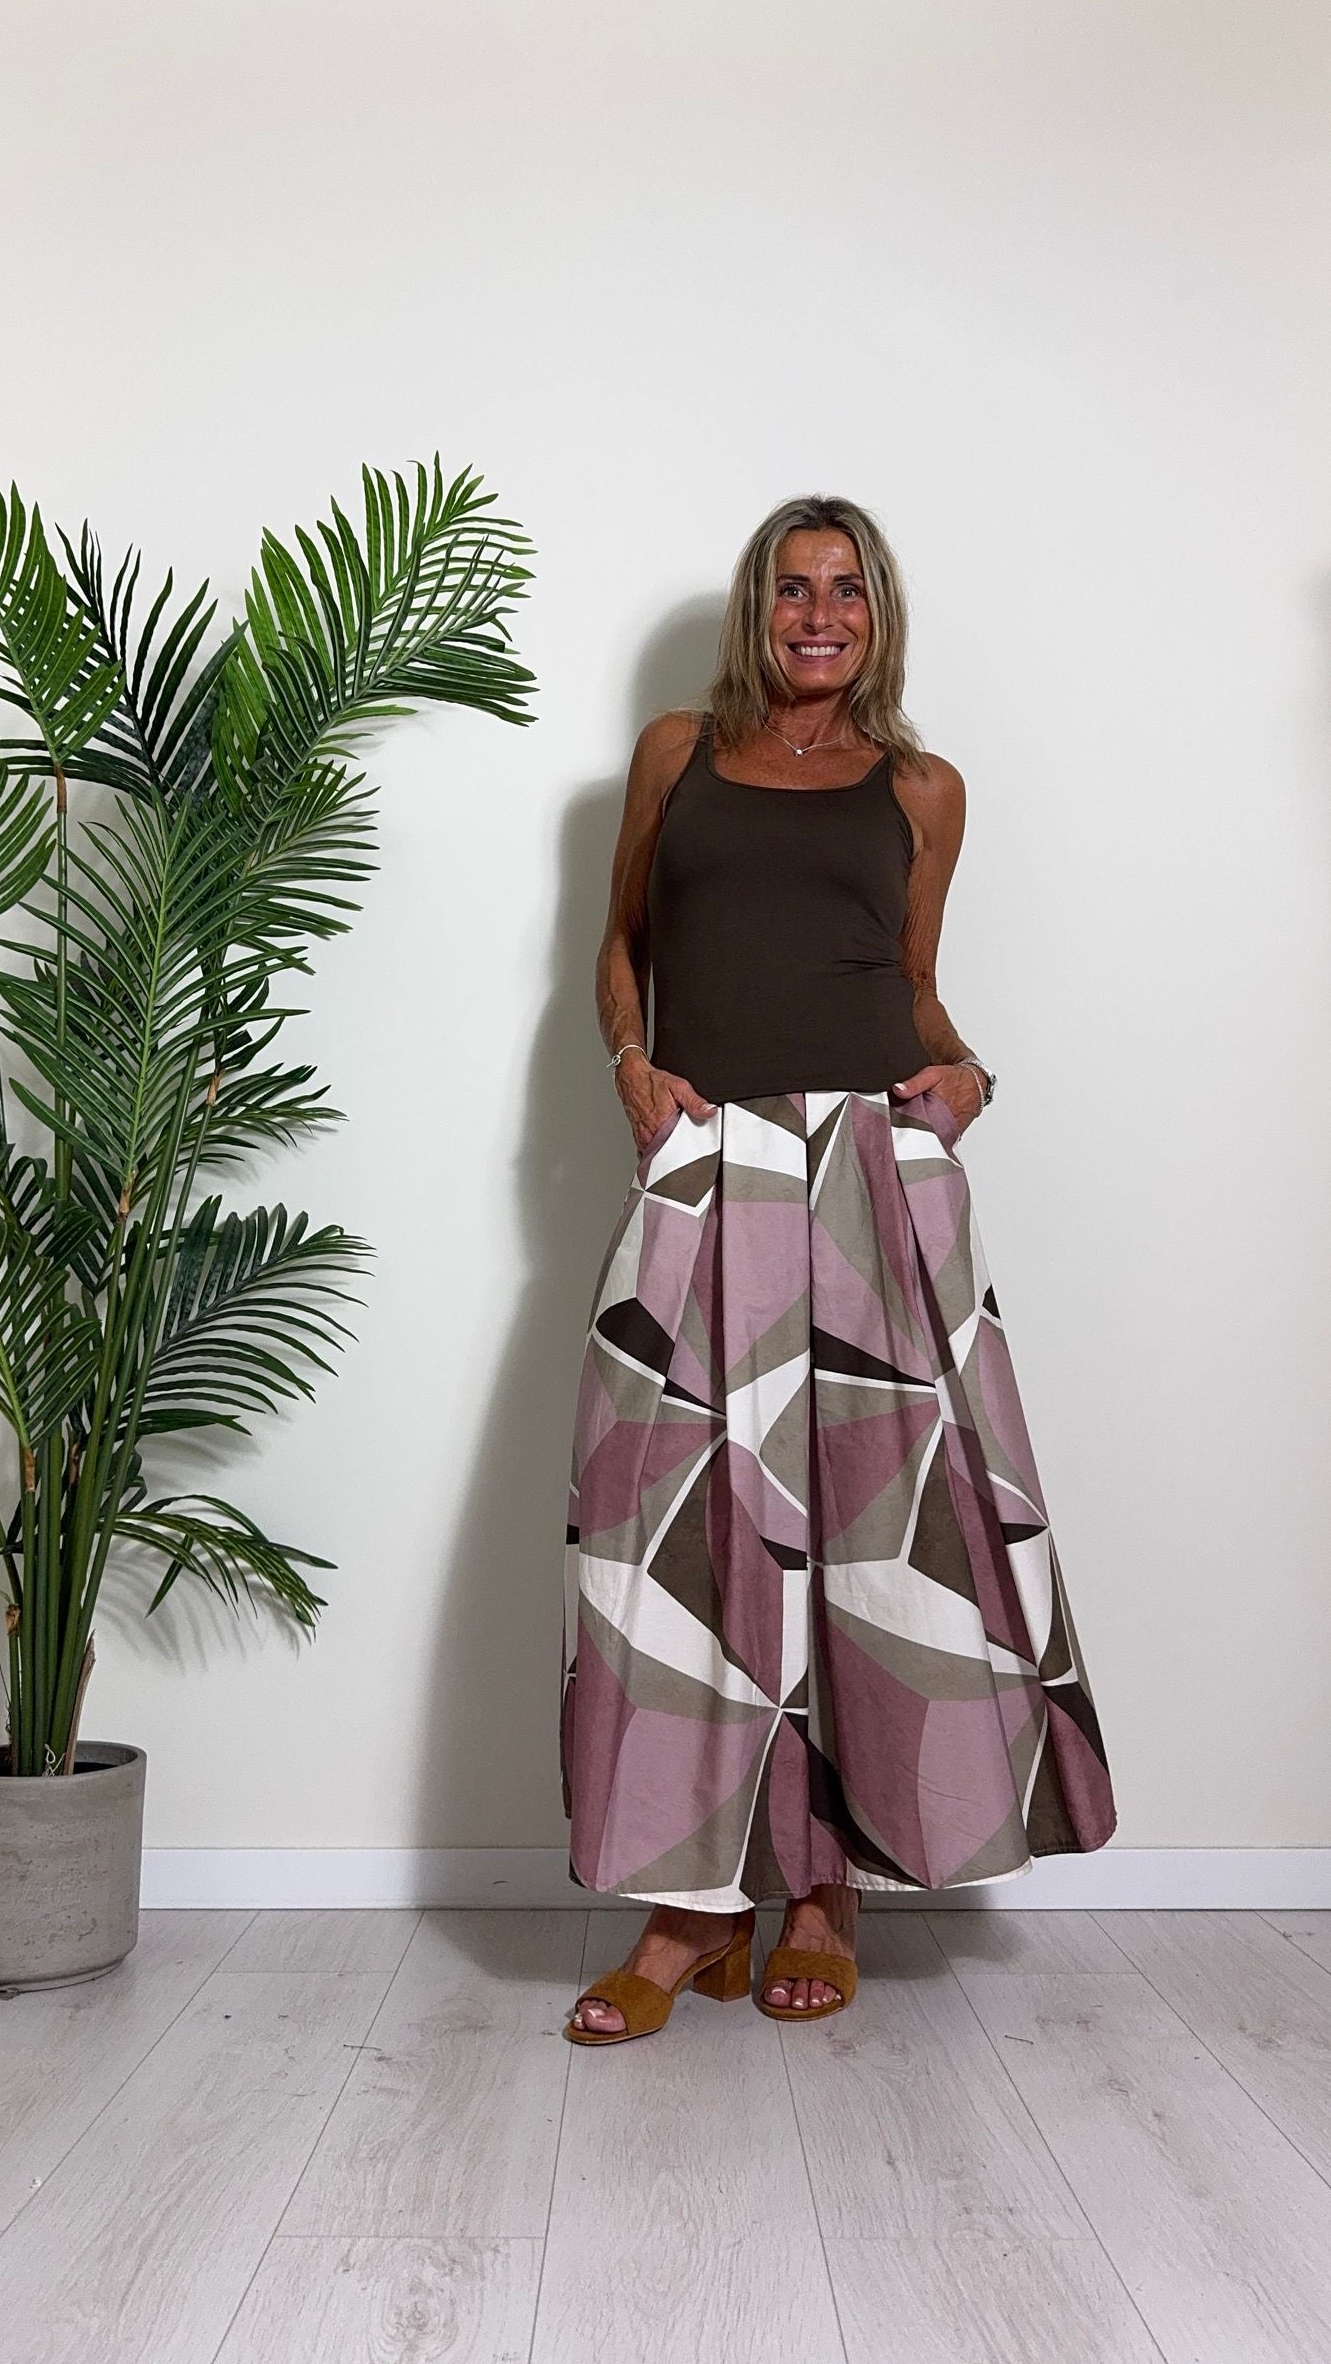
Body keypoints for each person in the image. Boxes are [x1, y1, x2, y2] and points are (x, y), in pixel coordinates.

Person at [559, 494, 1116, 2045]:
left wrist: (973, 1071)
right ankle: (692, 1908)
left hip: (876, 1164)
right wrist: (627, 1063)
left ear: (879, 616)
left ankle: (827, 1893)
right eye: (796, 589)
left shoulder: (922, 788)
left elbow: (916, 982)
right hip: (707, 1157)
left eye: (849, 591)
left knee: (881, 1525)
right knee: (675, 1526)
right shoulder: (676, 754)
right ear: (760, 607)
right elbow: (621, 944)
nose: (821, 616)